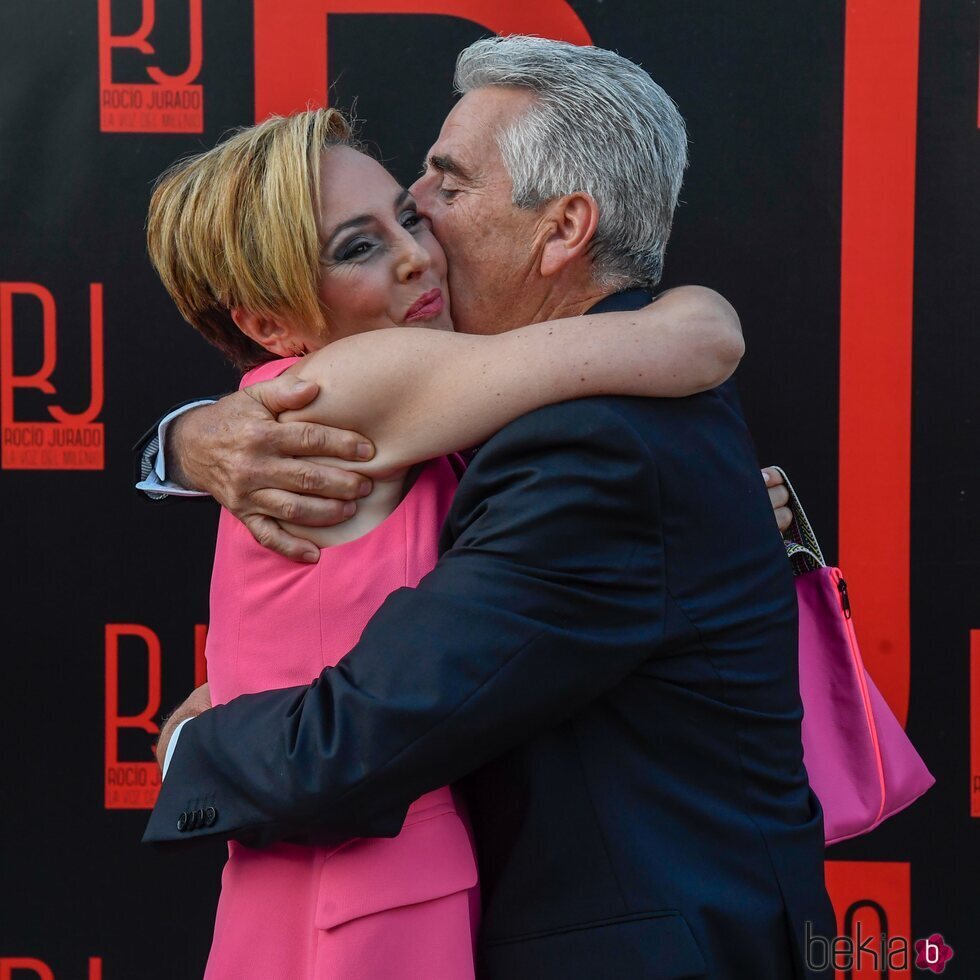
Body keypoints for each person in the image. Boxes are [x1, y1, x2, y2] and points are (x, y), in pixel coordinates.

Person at [143, 36, 834, 980]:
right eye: (377, 224)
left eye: (445, 185)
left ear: (561, 230)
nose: (421, 219)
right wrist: (184, 442)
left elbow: (350, 748)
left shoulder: (592, 446)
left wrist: (189, 740)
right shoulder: (561, 410)